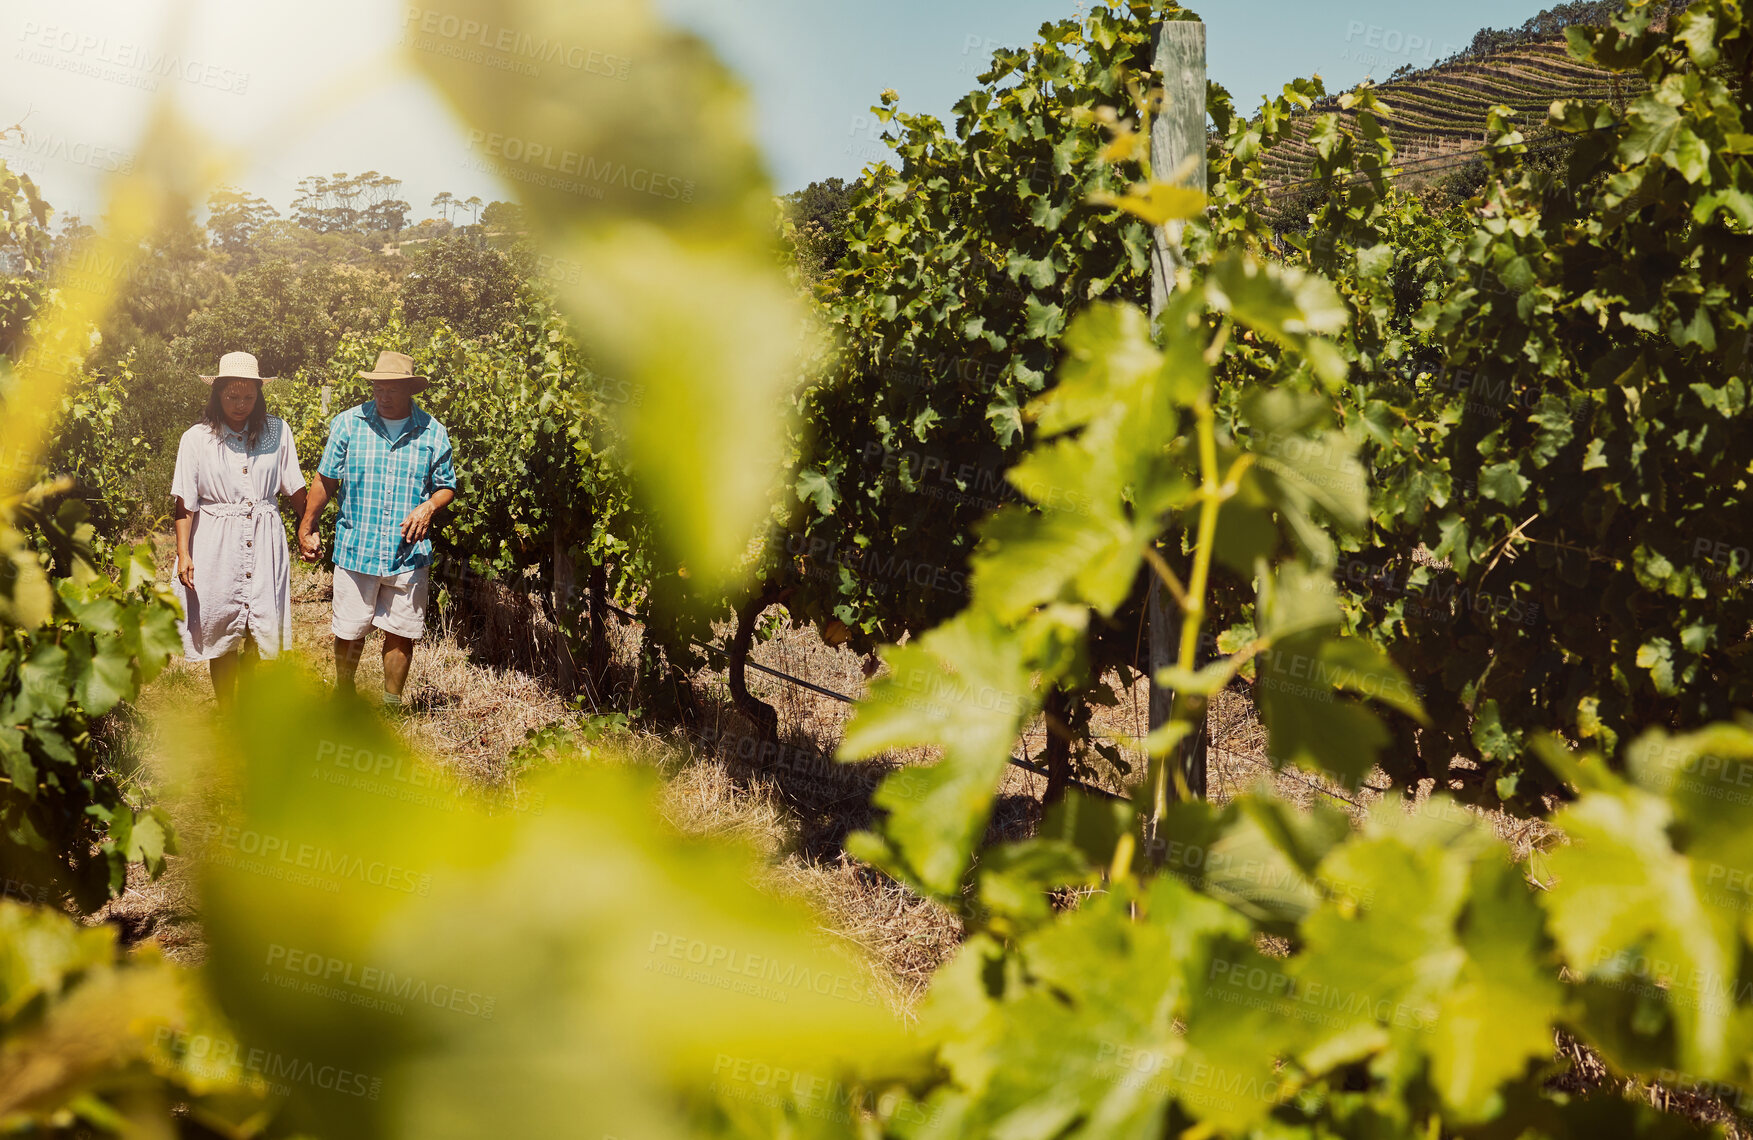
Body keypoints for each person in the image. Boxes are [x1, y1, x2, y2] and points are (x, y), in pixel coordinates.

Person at [297, 350, 457, 710]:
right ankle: (344, 694)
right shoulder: (349, 424)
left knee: (402, 630)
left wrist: (430, 505)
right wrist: (307, 525)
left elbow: (447, 484)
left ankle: (391, 704)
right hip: (358, 544)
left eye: (392, 390)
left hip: (408, 551)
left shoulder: (432, 431)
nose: (383, 396)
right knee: (350, 629)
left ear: (410, 392)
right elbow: (326, 479)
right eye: (378, 388)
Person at [170, 351, 308, 707]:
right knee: (222, 626)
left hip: (265, 538)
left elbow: (294, 487)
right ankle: (227, 710)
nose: (240, 404)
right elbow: (185, 502)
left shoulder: (277, 431)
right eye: (232, 396)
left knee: (258, 626)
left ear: (259, 395)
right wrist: (184, 553)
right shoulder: (196, 439)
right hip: (215, 541)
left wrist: (307, 529)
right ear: (217, 394)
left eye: (248, 396)